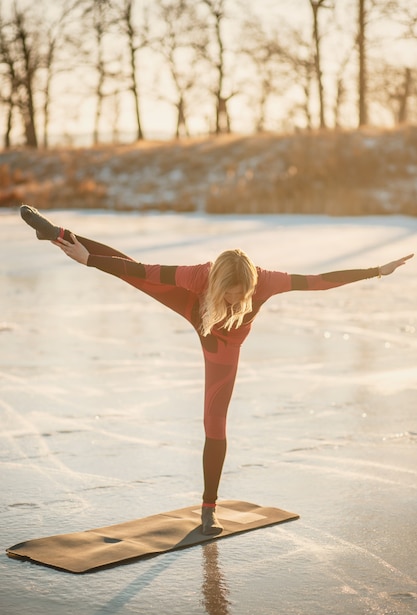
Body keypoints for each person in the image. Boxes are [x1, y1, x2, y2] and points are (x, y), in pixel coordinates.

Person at [20, 205, 413, 535]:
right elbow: (142, 271)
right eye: (231, 292)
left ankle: (209, 507)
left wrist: (377, 270)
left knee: (216, 421)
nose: (236, 299)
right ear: (219, 281)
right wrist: (90, 261)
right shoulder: (199, 276)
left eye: (242, 295)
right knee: (130, 270)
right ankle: (58, 234)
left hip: (223, 345)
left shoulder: (266, 283)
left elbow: (318, 281)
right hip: (194, 308)